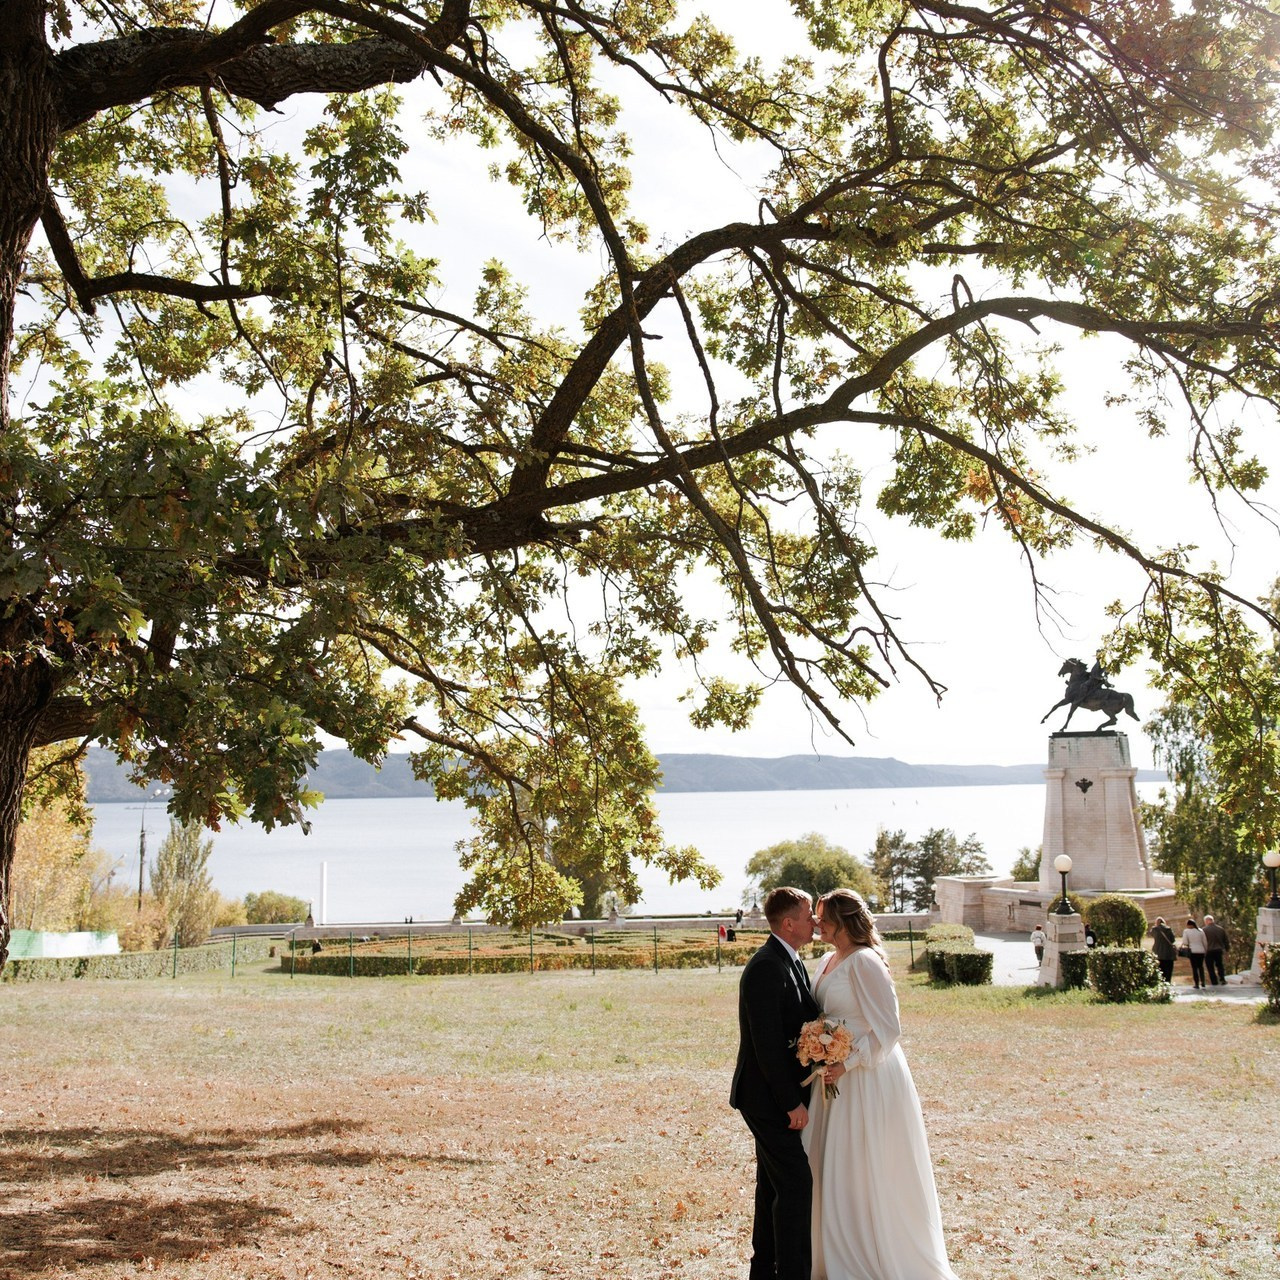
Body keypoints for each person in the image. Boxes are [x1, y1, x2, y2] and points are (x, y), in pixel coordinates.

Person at [803, 888, 959, 1280]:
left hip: (866, 1078)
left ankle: (870, 1252)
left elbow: (889, 1029)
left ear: (842, 920)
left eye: (823, 917)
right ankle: (830, 1250)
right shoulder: (826, 959)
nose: (817, 923)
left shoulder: (866, 962)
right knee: (833, 1163)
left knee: (863, 1163)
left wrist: (848, 1061)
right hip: (831, 1078)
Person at [731, 887, 820, 1280]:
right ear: (788, 923)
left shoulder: (791, 960)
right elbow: (766, 1045)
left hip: (775, 1096)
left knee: (772, 1187)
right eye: (808, 915)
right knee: (797, 1185)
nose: (814, 921)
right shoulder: (767, 966)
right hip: (766, 1099)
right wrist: (791, 1103)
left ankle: (762, 1271)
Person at [1202, 914, 1230, 985]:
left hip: (1208, 951)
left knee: (1210, 967)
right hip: (1218, 950)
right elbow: (1226, 941)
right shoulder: (1220, 929)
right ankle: (1222, 979)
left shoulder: (1203, 930)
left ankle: (1214, 981)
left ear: (1206, 921)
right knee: (1220, 965)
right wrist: (1227, 951)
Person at [1182, 917, 1209, 989]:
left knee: (1194, 968)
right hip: (1201, 951)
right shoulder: (1200, 931)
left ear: (1189, 925)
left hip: (1192, 951)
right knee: (1201, 967)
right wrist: (1205, 950)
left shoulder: (1186, 931)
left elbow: (1185, 942)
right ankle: (1203, 982)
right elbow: (1205, 942)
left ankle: (1196, 983)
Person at [1150, 917, 1177, 983]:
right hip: (1169, 954)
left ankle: (1161, 983)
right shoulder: (1168, 929)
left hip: (1158, 953)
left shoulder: (1154, 929)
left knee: (1160, 969)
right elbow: (1173, 940)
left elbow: (1150, 934)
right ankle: (1168, 982)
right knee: (1168, 970)